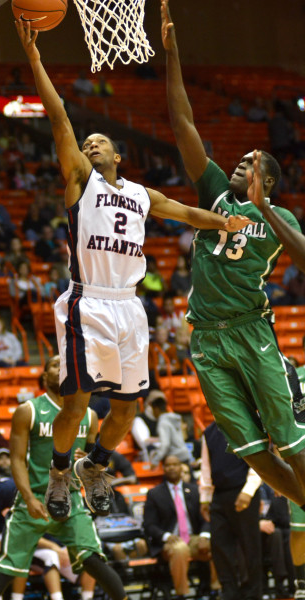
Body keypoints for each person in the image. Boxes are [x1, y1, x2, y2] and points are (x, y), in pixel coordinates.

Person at [15, 19, 251, 523]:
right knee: (76, 401)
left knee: (127, 410)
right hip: (88, 300)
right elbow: (59, 118)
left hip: (130, 306)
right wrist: (35, 59)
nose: (92, 145)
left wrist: (227, 220)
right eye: (89, 142)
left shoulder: (142, 195)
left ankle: (93, 466)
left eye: (101, 142)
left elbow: (189, 214)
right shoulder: (80, 180)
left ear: (119, 156)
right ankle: (59, 471)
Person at [161, 0, 305, 509]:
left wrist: (267, 211)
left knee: (290, 440)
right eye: (241, 159)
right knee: (253, 453)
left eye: (251, 161)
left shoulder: (280, 219)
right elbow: (183, 124)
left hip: (251, 328)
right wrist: (171, 53)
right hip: (207, 340)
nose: (240, 162)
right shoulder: (216, 191)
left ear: (266, 178)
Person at [0, 354, 129, 600]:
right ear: (44, 375)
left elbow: (90, 463)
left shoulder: (89, 416)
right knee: (6, 570)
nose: (61, 369)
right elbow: (16, 459)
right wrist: (27, 498)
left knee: (93, 559)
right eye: (55, 365)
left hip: (71, 500)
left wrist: (87, 460)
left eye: (65, 365)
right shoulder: (28, 411)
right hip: (34, 499)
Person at [200, 421, 263, 600]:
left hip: (243, 491)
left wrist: (249, 491)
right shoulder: (209, 431)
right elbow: (206, 466)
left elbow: (260, 459)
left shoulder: (246, 421)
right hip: (219, 494)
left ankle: (253, 594)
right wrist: (204, 497)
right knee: (219, 546)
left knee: (250, 547)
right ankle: (229, 592)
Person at [143, 454, 218, 600]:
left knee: (216, 545)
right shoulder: (154, 494)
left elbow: (207, 518)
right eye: (168, 465)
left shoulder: (194, 490)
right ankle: (181, 594)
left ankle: (216, 590)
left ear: (181, 468)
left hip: (193, 538)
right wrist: (166, 536)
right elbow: (149, 525)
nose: (172, 468)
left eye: (175, 464)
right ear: (163, 469)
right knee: (180, 548)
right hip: (170, 541)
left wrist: (204, 536)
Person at [149, 397, 194, 468]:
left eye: (152, 410)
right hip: (184, 456)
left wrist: (155, 460)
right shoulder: (173, 419)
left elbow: (165, 444)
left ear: (156, 409)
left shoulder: (163, 423)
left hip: (175, 460)